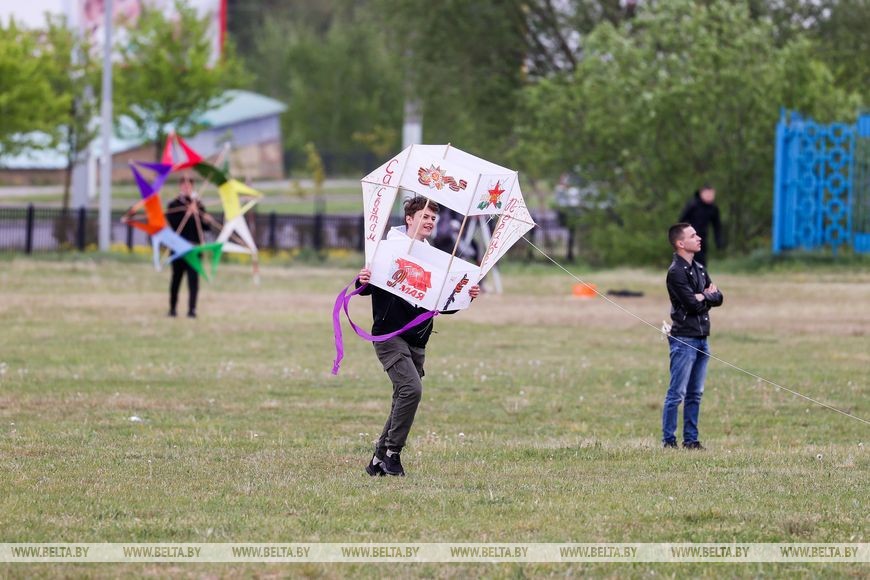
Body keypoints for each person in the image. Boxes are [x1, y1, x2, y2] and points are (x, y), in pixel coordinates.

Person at [357, 197, 480, 477]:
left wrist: (466, 296)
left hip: (418, 340)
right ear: (409, 219)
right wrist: (362, 279)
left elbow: (442, 305)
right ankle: (393, 454)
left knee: (402, 397)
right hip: (389, 336)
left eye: (433, 218)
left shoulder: (434, 258)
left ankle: (377, 461)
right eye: (424, 216)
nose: (430, 222)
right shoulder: (387, 249)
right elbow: (366, 286)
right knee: (411, 390)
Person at [662, 223, 723, 450]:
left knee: (695, 394)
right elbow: (691, 304)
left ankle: (691, 440)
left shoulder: (699, 268)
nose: (699, 238)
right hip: (684, 339)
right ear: (680, 243)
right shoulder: (676, 272)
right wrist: (705, 296)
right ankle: (669, 441)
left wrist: (703, 296)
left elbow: (719, 297)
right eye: (693, 235)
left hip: (702, 338)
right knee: (676, 393)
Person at [166, 174, 209, 318]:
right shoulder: (174, 205)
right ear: (180, 187)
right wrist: (187, 214)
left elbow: (205, 227)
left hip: (194, 249)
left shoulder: (199, 205)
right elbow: (173, 224)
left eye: (189, 185)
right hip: (178, 248)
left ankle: (192, 310)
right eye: (184, 185)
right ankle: (172, 309)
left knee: (193, 281)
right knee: (176, 279)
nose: (186, 188)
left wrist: (202, 217)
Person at [678, 184, 725, 265]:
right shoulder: (693, 205)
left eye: (711, 195)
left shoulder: (713, 208)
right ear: (701, 193)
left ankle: (700, 272)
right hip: (690, 237)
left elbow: (717, 226)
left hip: (703, 237)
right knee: (690, 258)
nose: (709, 196)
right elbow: (682, 220)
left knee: (701, 260)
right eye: (707, 194)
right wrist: (681, 236)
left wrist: (718, 240)